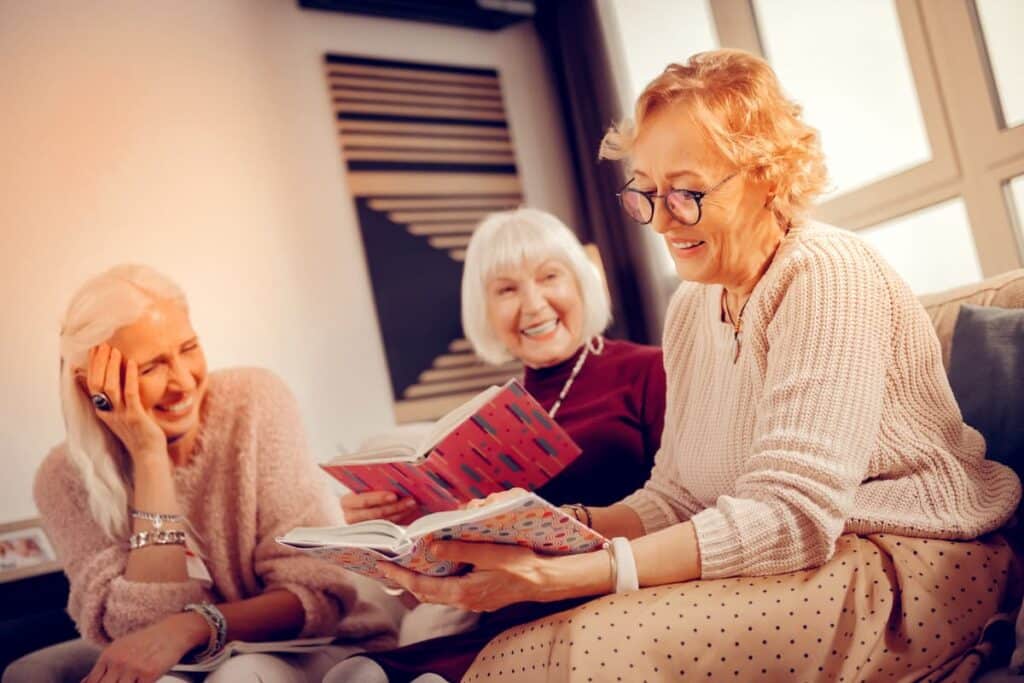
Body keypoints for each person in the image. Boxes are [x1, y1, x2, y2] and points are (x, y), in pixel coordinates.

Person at [373, 49, 1022, 682]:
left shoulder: (825, 270)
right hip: (802, 562)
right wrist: (551, 529)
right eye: (646, 193)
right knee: (533, 639)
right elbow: (676, 494)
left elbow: (794, 515)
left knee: (594, 638)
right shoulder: (690, 306)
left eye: (686, 192)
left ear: (768, 176)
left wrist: (581, 570)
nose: (661, 220)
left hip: (908, 565)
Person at [3, 265, 395, 683]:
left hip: (311, 646)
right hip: (184, 664)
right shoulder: (62, 477)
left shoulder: (254, 401)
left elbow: (313, 592)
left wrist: (195, 624)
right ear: (91, 387)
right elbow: (143, 630)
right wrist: (150, 459)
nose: (183, 381)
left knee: (242, 674)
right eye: (151, 366)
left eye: (188, 348)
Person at [327, 208, 667, 682]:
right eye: (507, 289)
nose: (532, 305)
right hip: (503, 620)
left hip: (603, 607)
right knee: (355, 674)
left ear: (581, 284)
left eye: (549, 276)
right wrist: (397, 533)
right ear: (484, 310)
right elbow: (445, 588)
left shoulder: (650, 371)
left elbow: (682, 504)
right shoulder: (484, 423)